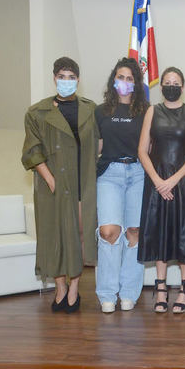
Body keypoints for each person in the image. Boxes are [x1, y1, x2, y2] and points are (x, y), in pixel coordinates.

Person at [21, 56, 99, 313]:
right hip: (51, 184)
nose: (66, 81)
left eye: (71, 77)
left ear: (78, 79)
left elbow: (98, 143)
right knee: (53, 236)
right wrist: (51, 180)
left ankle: (75, 289)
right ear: (54, 78)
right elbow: (32, 152)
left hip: (81, 183)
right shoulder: (37, 112)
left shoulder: (91, 109)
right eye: (62, 77)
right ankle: (60, 288)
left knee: (77, 237)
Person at [137, 66, 185, 314]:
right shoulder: (152, 111)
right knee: (160, 232)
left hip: (183, 182)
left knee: (184, 234)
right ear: (161, 86)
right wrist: (157, 180)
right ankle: (162, 288)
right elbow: (142, 150)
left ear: (183, 87)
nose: (171, 86)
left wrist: (173, 180)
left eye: (176, 82)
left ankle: (184, 289)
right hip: (157, 182)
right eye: (167, 82)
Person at [95, 57, 149, 313]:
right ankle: (107, 293)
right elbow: (97, 146)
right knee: (109, 232)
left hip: (138, 173)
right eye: (120, 77)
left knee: (134, 233)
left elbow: (150, 147)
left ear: (136, 84)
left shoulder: (145, 111)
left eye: (129, 78)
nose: (124, 82)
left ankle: (128, 292)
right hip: (109, 174)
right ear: (113, 81)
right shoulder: (100, 111)